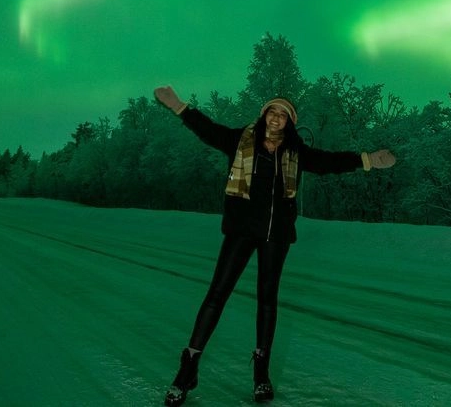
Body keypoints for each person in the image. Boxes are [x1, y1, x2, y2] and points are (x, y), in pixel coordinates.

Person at [153, 85, 397, 405]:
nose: (277, 117)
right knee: (217, 294)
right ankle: (188, 368)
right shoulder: (241, 140)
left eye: (283, 114)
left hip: (276, 235)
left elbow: (328, 161)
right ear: (264, 114)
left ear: (289, 122)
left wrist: (367, 160)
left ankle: (261, 375)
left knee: (268, 300)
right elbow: (208, 130)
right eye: (272, 111)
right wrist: (179, 106)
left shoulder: (295, 152)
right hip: (241, 230)